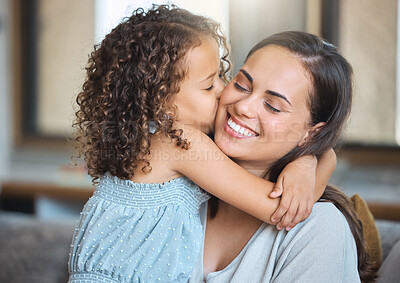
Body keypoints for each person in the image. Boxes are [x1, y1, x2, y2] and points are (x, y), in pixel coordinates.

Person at [68, 6, 335, 283]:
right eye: (209, 86)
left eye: (221, 75)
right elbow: (280, 210)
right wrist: (317, 158)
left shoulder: (149, 142)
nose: (223, 91)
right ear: (161, 102)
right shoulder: (178, 142)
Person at [190, 31, 378, 282]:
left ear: (311, 134)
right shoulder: (175, 184)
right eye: (241, 85)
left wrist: (311, 158)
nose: (243, 107)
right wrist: (310, 158)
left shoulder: (319, 229)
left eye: (273, 106)